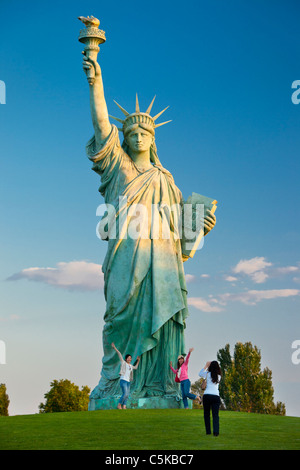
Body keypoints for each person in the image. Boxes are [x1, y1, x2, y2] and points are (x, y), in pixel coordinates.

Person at [82, 47, 217, 402]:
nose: (138, 136)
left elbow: (182, 243)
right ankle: (116, 386)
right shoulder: (118, 169)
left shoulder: (167, 181)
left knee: (165, 324)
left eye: (145, 132)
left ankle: (163, 386)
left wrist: (201, 225)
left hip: (163, 266)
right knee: (119, 319)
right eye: (131, 131)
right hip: (125, 260)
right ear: (124, 138)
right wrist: (96, 77)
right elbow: (101, 124)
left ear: (153, 138)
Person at [112, 342, 140, 409]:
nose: (129, 359)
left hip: (128, 381)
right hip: (123, 380)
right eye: (128, 358)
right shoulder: (123, 363)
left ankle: (124, 406)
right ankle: (119, 405)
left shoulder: (130, 365)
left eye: (130, 358)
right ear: (126, 358)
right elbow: (119, 354)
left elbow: (135, 367)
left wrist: (138, 361)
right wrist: (114, 348)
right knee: (124, 394)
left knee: (127, 395)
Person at [199, 361, 222, 436]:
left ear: (210, 366)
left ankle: (208, 432)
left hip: (207, 395)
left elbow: (200, 373)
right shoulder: (219, 376)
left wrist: (205, 365)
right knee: (215, 415)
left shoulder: (207, 374)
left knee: (207, 415)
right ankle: (216, 432)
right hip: (216, 396)